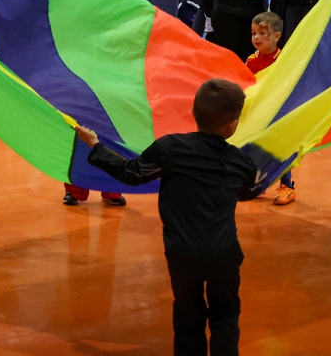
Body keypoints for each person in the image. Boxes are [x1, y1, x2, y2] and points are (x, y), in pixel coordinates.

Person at [79, 79, 262, 356]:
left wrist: (95, 145)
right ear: (232, 125)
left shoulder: (170, 149)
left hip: (183, 253)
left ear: (194, 112)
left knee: (188, 315)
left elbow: (132, 173)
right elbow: (249, 190)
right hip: (223, 253)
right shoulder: (239, 161)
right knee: (225, 316)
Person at [246, 11, 298, 206]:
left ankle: (287, 186)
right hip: (259, 114)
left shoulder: (285, 59)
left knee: (280, 149)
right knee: (257, 148)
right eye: (253, 33)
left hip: (280, 113)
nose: (256, 38)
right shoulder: (251, 61)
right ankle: (260, 183)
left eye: (262, 33)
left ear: (276, 36)